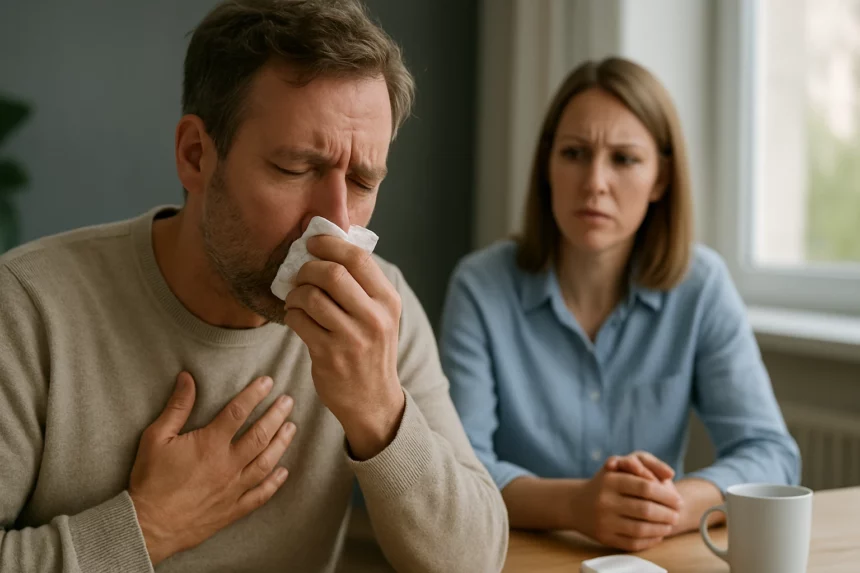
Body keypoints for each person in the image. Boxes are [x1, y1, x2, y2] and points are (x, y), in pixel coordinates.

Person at [0, 1, 509, 571]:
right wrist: (148, 527)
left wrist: (378, 407)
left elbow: (473, 563)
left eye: (363, 181)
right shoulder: (26, 309)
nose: (336, 225)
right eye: (295, 169)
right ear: (196, 155)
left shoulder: (376, 313)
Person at [440, 56, 800, 553]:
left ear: (661, 179)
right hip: (514, 556)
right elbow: (458, 469)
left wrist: (668, 504)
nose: (595, 182)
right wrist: (574, 506)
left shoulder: (702, 286)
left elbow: (772, 453)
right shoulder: (481, 286)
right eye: (574, 153)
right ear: (547, 166)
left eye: (624, 159)